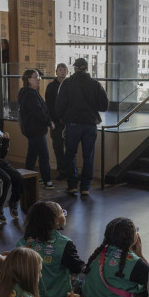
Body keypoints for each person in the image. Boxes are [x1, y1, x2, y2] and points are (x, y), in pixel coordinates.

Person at [78, 217, 149, 297]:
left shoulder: (98, 253)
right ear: (132, 238)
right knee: (148, 292)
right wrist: (140, 255)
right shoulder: (134, 263)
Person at [16, 201, 84, 297]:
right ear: (56, 222)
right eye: (62, 212)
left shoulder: (22, 242)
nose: (64, 214)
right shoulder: (64, 244)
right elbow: (77, 267)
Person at [55, 57, 108, 196]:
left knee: (70, 154)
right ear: (86, 68)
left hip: (72, 124)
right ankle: (85, 187)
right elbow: (104, 105)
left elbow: (59, 105)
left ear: (75, 68)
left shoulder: (67, 83)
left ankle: (72, 185)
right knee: (88, 156)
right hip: (90, 125)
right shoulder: (95, 84)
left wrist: (61, 118)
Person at [18, 69, 54, 189]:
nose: (39, 79)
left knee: (32, 155)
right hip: (36, 130)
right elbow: (39, 112)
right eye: (35, 77)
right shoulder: (30, 94)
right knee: (44, 155)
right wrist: (49, 122)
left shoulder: (28, 92)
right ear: (29, 80)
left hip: (31, 129)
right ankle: (47, 180)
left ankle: (27, 177)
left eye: (39, 76)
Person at [44, 62, 68, 180]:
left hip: (68, 122)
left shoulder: (70, 85)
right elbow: (48, 105)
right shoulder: (51, 86)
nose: (62, 71)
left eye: (64, 69)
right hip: (56, 122)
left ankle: (69, 170)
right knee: (58, 147)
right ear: (56, 71)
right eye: (60, 69)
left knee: (69, 147)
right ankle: (62, 171)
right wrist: (53, 120)